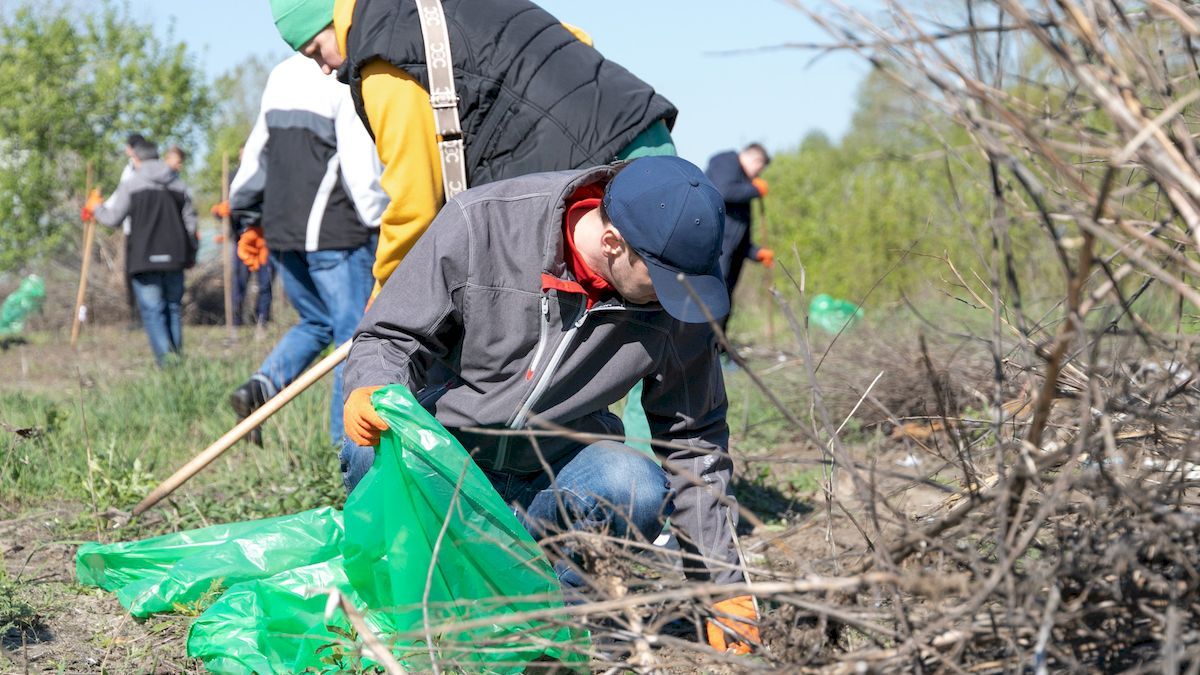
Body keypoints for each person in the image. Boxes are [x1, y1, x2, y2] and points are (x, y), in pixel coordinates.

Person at [341, 156, 761, 655]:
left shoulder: (678, 285)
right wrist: (373, 384)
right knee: (374, 450)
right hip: (451, 467)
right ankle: (406, 601)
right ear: (612, 244)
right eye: (660, 282)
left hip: (554, 475)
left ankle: (546, 628)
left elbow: (695, 439)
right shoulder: (485, 222)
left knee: (634, 487)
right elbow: (391, 335)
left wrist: (724, 585)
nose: (673, 302)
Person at [271, 0, 679, 291]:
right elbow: (574, 38)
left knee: (624, 342)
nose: (325, 68)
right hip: (644, 135)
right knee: (669, 338)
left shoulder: (381, 56)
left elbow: (415, 202)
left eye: (315, 51)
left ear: (332, 17)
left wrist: (388, 295)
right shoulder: (440, 8)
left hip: (591, 175)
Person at [220, 53, 387, 447]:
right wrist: (383, 220)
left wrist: (245, 214)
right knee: (354, 340)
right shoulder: (342, 71)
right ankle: (345, 450)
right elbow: (360, 166)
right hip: (336, 232)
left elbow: (258, 150)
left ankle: (261, 388)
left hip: (282, 231)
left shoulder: (281, 72)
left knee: (316, 321)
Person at [82, 139, 198, 366]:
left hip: (144, 258)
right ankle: (176, 361)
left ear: (136, 159)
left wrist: (95, 207)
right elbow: (191, 224)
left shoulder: (132, 185)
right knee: (172, 309)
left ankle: (169, 366)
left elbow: (113, 218)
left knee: (154, 312)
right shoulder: (179, 185)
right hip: (175, 258)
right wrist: (191, 252)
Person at [705, 143, 776, 335]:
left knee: (725, 299)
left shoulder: (744, 184)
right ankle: (704, 348)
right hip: (715, 247)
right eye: (759, 169)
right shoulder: (726, 160)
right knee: (713, 298)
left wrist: (756, 252)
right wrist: (755, 190)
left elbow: (739, 235)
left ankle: (720, 348)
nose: (757, 175)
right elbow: (724, 190)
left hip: (731, 253)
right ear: (755, 160)